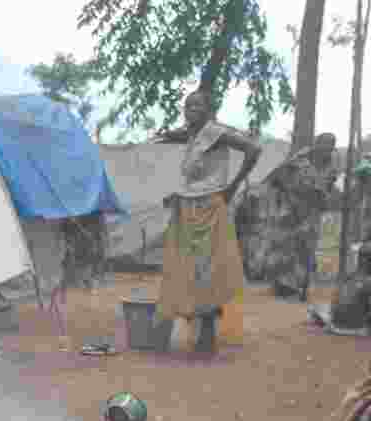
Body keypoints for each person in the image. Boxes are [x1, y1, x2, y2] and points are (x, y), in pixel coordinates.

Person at [155, 89, 262, 354]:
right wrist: (166, 135)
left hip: (209, 208)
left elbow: (254, 148)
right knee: (187, 267)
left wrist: (233, 187)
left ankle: (207, 332)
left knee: (208, 269)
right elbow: (182, 138)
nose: (190, 110)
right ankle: (191, 323)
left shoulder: (217, 132)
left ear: (208, 110)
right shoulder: (193, 134)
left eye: (197, 106)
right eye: (187, 106)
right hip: (188, 206)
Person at [263, 132, 340, 302]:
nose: (328, 148)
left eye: (331, 145)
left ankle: (300, 284)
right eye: (325, 144)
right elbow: (277, 178)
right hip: (290, 208)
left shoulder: (332, 167)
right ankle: (282, 283)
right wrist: (285, 198)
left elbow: (328, 187)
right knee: (285, 245)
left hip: (312, 211)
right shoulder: (299, 160)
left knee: (306, 247)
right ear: (317, 144)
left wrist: (323, 198)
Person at [310, 242, 371, 335]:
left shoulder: (348, 277)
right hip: (358, 329)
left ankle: (321, 315)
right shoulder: (367, 281)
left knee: (323, 308)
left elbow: (334, 304)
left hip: (335, 326)